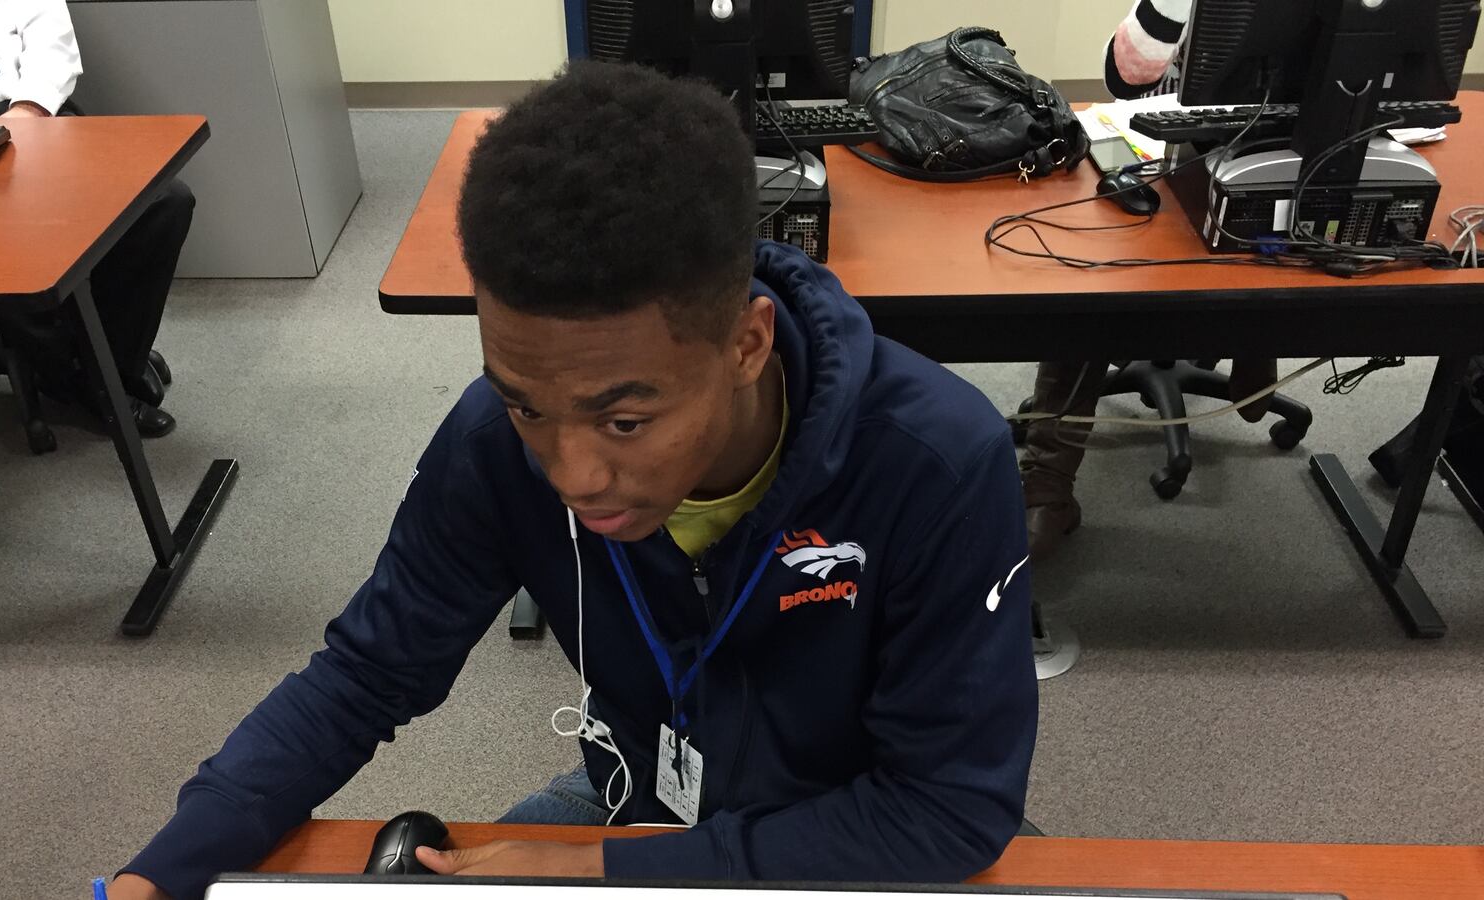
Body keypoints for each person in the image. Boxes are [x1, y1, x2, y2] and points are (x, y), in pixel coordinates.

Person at [107, 61, 1038, 900]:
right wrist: (169, 866)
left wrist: (611, 869)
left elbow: (944, 812)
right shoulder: (494, 441)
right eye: (525, 405)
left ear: (746, 345)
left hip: (854, 841)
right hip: (641, 801)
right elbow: (364, 675)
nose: (573, 474)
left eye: (625, 420)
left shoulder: (938, 462)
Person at [1022, 0, 1278, 558]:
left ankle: (1261, 335)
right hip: (1177, 155)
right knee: (1095, 278)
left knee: (1297, 231)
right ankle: (1047, 487)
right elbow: (1125, 76)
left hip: (1287, 153)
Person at [0, 0, 192, 436]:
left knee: (163, 203)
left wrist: (27, 111)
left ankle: (106, 357)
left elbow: (49, 30)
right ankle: (93, 382)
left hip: (24, 112)